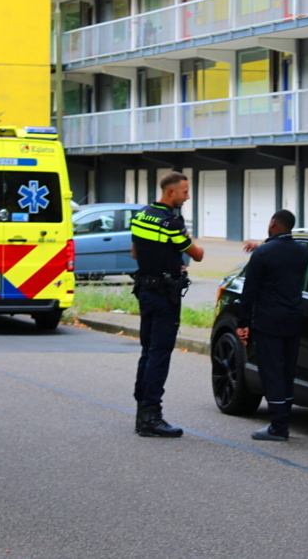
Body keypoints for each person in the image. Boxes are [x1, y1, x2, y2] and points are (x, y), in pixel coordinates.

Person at [129, 171, 205, 438]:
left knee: (148, 351)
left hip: (145, 290)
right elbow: (198, 254)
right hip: (163, 295)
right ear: (170, 192)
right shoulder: (171, 222)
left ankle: (142, 411)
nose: (188, 196)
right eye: (185, 192)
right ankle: (151, 416)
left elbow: (135, 252)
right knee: (160, 353)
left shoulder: (140, 215)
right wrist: (184, 239)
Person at [235, 209, 308, 441]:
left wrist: (243, 322)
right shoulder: (303, 251)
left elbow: (250, 291)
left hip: (269, 320)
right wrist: (262, 248)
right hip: (294, 319)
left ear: (274, 223)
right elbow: (282, 260)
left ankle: (278, 427)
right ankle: (283, 418)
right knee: (287, 371)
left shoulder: (264, 253)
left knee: (272, 371)